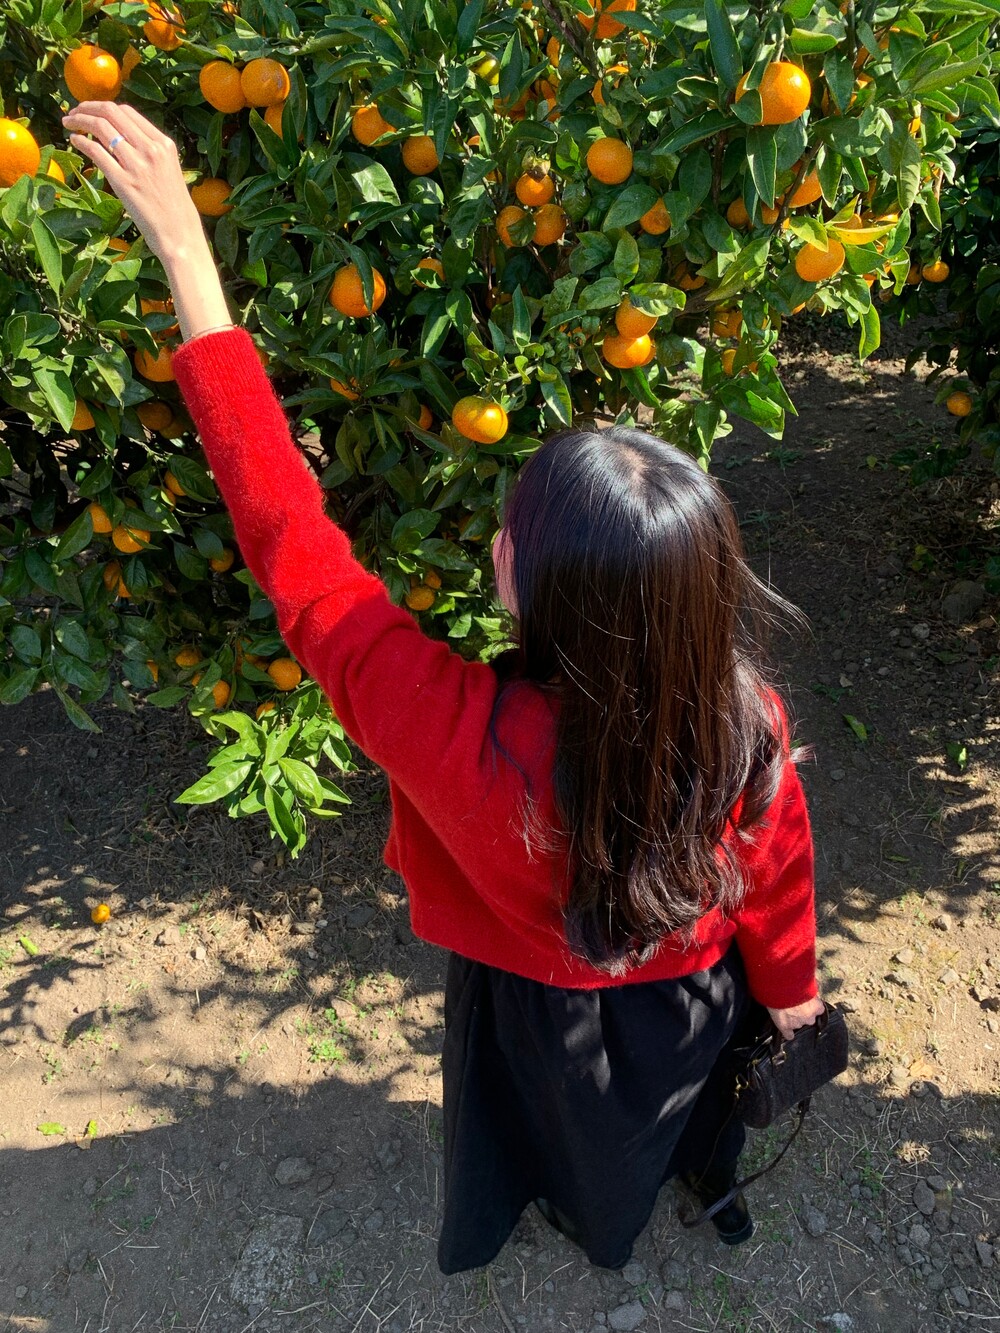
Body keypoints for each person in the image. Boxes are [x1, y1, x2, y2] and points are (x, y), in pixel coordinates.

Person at [62, 102, 826, 1274]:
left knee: (541, 1124)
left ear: (525, 586)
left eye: (511, 536)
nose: (497, 544)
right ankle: (659, 1197)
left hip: (527, 1005)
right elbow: (777, 878)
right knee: (659, 1119)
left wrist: (184, 252)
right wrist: (791, 991)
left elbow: (286, 534)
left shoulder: (444, 727)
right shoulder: (741, 723)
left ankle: (563, 1209)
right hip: (684, 1002)